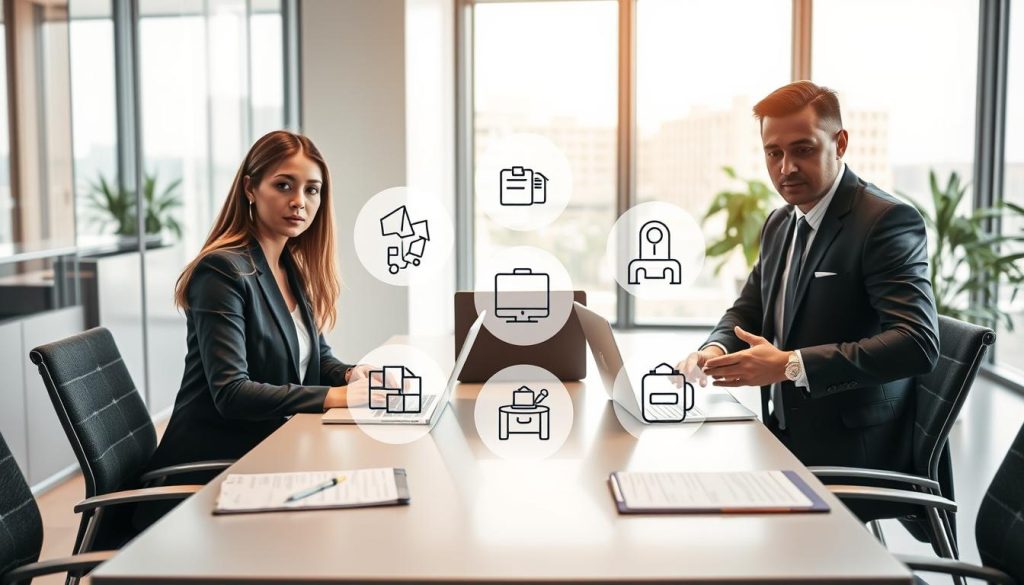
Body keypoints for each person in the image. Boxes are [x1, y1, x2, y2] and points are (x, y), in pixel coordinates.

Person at [677, 81, 939, 476]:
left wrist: (790, 365)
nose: (786, 168)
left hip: (853, 451)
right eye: (774, 153)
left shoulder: (885, 222)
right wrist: (712, 351)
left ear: (840, 143)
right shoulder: (781, 221)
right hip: (782, 434)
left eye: (803, 149)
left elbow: (917, 343)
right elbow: (749, 309)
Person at [147, 130, 380, 472]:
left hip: (272, 449)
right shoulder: (222, 271)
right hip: (212, 467)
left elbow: (315, 358)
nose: (299, 200)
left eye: (311, 190)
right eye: (284, 185)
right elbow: (232, 392)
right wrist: (336, 397)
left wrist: (351, 376)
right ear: (250, 189)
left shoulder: (289, 268)